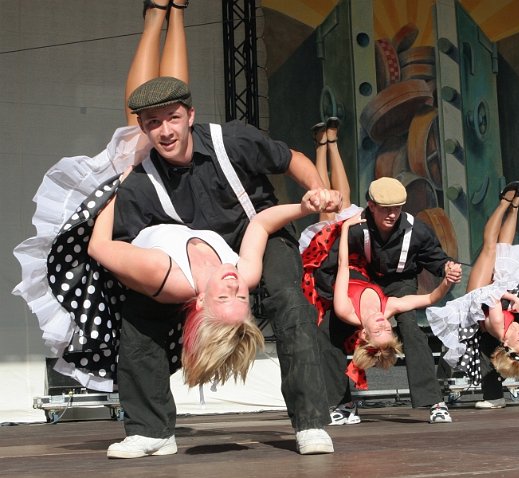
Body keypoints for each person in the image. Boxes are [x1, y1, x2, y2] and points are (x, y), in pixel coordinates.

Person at [13, 0, 343, 459]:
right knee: (138, 313)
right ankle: (151, 429)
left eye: (173, 118)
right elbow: (112, 247)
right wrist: (113, 205)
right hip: (196, 257)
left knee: (290, 300)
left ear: (190, 115)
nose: (165, 130)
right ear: (145, 128)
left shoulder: (233, 140)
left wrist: (317, 194)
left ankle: (309, 423)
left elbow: (293, 164)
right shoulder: (142, 180)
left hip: (255, 237)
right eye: (154, 123)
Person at [88, 181, 328, 388]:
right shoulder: (245, 274)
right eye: (243, 298)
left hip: (123, 216)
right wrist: (303, 208)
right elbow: (261, 225)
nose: (234, 287)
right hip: (168, 204)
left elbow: (98, 247)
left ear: (201, 300)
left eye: (223, 298)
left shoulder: (163, 272)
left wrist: (112, 190)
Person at [300, 119, 458, 425]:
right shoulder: (358, 228)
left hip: (398, 283)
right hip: (364, 282)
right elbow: (336, 264)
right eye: (385, 208)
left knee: (411, 327)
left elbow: (434, 260)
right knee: (326, 331)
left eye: (397, 208)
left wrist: (446, 270)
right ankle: (341, 403)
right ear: (371, 206)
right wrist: (330, 298)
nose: (391, 214)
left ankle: (433, 401)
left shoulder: (417, 231)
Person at [426, 181, 519, 389]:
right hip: (495, 290)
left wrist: (514, 298)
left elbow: (493, 296)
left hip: (479, 294)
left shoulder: (498, 325)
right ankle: (515, 206)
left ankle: (504, 202)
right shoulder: (514, 335)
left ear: (506, 345)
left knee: (490, 247)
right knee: (505, 247)